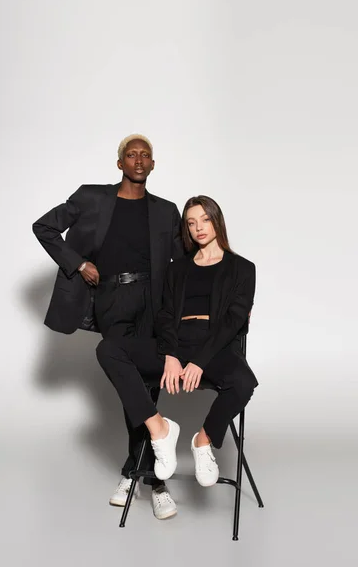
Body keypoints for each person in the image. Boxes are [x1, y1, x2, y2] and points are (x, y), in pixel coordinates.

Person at [32, 134, 184, 519]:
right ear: (120, 164)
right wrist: (79, 264)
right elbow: (44, 227)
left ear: (153, 165)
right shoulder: (91, 198)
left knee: (150, 384)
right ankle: (149, 476)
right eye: (130, 155)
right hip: (112, 299)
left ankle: (141, 476)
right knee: (129, 381)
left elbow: (185, 269)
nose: (138, 160)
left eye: (144, 155)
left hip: (155, 301)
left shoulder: (167, 212)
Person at [96, 195, 258, 500]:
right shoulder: (178, 268)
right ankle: (160, 429)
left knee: (244, 381)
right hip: (175, 343)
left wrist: (198, 361)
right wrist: (170, 355)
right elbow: (166, 316)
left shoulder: (243, 269)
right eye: (191, 222)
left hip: (214, 347)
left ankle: (203, 441)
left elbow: (233, 321)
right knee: (109, 349)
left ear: (216, 220)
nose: (198, 228)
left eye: (205, 220)